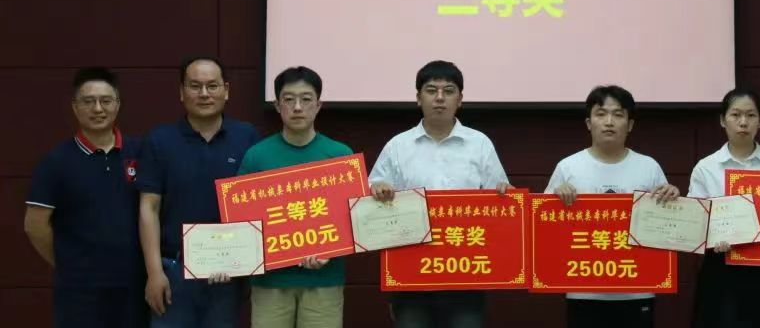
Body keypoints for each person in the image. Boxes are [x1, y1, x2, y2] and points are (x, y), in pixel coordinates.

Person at [369, 60, 510, 328]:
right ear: (418, 98)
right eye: (431, 90)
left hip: (467, 271)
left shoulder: (479, 144)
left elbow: (501, 203)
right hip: (411, 272)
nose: (440, 98)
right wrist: (376, 191)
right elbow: (370, 205)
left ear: (460, 99)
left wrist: (507, 194)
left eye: (449, 90)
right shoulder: (398, 146)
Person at [137, 56, 260, 327]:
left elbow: (258, 204)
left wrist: (246, 264)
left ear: (226, 90)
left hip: (229, 273)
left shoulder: (247, 137)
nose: (204, 93)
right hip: (174, 272)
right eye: (195, 86)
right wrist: (154, 272)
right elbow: (149, 208)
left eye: (212, 86)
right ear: (182, 92)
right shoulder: (159, 140)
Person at [546, 85, 680, 328]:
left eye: (618, 115)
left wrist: (672, 200)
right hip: (583, 290)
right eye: (601, 114)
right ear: (589, 123)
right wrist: (554, 201)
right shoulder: (568, 167)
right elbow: (544, 229)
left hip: (638, 289)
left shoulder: (648, 167)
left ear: (630, 125)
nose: (609, 122)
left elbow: (668, 228)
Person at [25, 67, 148, 328]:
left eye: (106, 101)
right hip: (79, 292)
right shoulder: (56, 162)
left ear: (118, 104)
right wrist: (69, 263)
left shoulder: (142, 152)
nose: (98, 109)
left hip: (135, 286)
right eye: (88, 101)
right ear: (75, 107)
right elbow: (35, 225)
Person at [237, 66, 352, 328]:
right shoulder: (257, 156)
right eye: (289, 99)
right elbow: (241, 220)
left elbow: (354, 219)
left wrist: (331, 249)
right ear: (277, 106)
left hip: (324, 280)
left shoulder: (340, 155)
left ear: (318, 105)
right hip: (270, 282)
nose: (297, 107)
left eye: (306, 99)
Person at [687, 88, 760, 328]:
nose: (743, 122)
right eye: (735, 115)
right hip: (721, 268)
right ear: (722, 120)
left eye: (751, 115)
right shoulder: (706, 167)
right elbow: (695, 222)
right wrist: (713, 238)